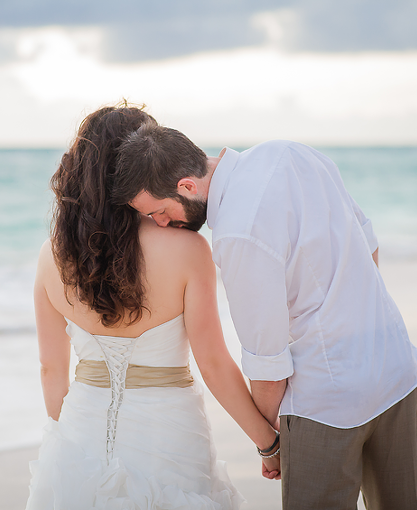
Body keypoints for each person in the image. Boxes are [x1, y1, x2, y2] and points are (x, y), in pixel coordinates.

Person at [113, 124, 417, 510]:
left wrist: (270, 443)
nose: (161, 224)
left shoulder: (237, 232)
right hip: (395, 367)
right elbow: (368, 244)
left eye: (159, 212)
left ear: (187, 186)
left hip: (327, 401)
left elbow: (268, 366)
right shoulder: (290, 151)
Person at [25, 104, 280, 509]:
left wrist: (68, 453)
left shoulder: (51, 255)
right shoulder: (188, 250)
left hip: (79, 434)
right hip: (169, 438)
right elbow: (213, 363)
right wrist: (268, 443)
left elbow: (50, 370)